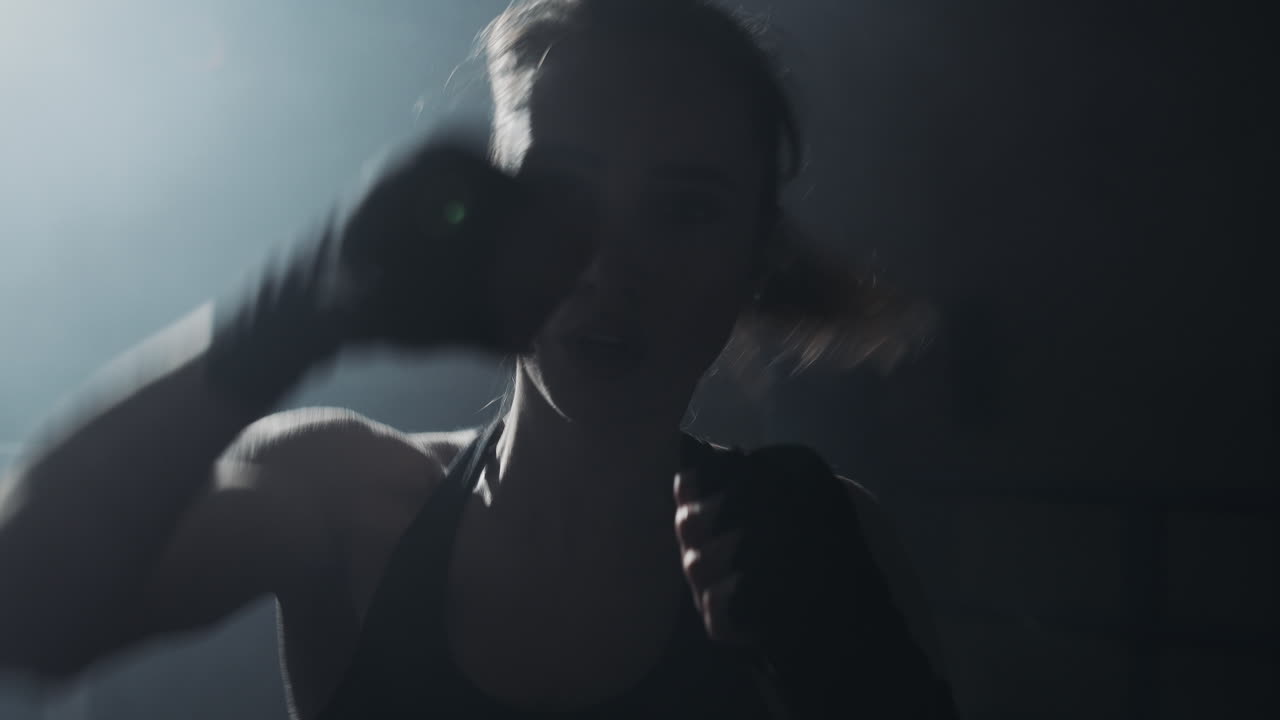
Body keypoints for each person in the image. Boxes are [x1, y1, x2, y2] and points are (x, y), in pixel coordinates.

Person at [0, 0, 954, 717]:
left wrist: (864, 689)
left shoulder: (828, 549)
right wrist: (287, 316)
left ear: (756, 254)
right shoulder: (343, 496)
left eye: (686, 207)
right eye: (560, 189)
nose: (610, 267)